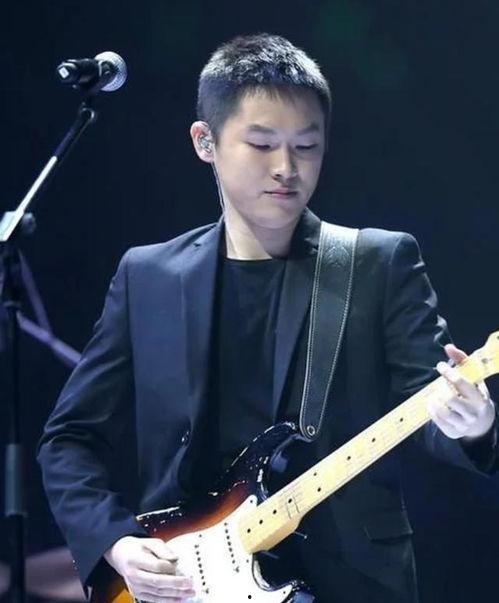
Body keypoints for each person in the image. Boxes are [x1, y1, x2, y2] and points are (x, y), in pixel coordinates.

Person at [38, 34, 498, 603]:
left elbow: (428, 406)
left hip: (348, 582)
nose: (286, 168)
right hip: (187, 582)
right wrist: (116, 543)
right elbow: (69, 440)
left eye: (307, 146)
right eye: (261, 144)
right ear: (205, 142)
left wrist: (474, 424)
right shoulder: (147, 276)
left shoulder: (378, 262)